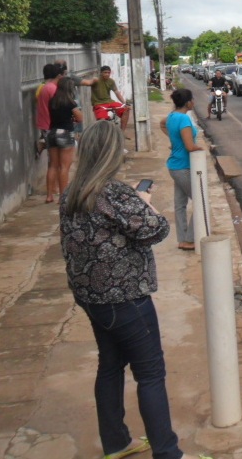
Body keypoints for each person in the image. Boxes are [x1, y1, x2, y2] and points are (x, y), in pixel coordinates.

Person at [60, 120, 181, 459]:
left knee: (110, 365)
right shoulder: (113, 193)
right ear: (112, 153)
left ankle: (116, 442)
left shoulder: (74, 191)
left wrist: (135, 201)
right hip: (125, 299)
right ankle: (168, 452)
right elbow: (155, 230)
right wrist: (145, 202)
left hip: (91, 298)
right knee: (151, 373)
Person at [159, 86, 198, 249]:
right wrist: (199, 148)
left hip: (174, 165)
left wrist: (175, 142)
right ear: (188, 103)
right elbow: (190, 146)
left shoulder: (172, 116)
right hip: (183, 166)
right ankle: (189, 239)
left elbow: (162, 124)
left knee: (180, 204)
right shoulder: (184, 119)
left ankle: (183, 239)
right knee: (200, 200)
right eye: (192, 100)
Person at [47, 74, 83, 197]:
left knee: (52, 165)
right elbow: (80, 118)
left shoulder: (52, 101)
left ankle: (49, 195)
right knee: (64, 167)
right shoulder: (70, 102)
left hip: (52, 133)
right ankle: (63, 196)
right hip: (65, 133)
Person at [36, 62, 64, 203]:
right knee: (59, 163)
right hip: (53, 126)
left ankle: (50, 194)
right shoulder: (53, 89)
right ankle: (59, 192)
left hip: (45, 126)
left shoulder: (43, 87)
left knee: (52, 163)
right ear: (58, 75)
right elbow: (59, 108)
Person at [84, 63, 130, 132]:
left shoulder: (111, 81)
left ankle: (121, 132)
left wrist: (124, 103)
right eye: (105, 72)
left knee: (126, 109)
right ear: (101, 73)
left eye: (109, 73)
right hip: (99, 104)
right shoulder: (96, 80)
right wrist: (92, 80)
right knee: (102, 121)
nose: (107, 74)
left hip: (109, 102)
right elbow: (88, 83)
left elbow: (117, 92)